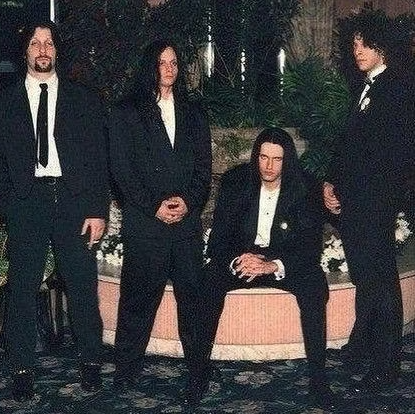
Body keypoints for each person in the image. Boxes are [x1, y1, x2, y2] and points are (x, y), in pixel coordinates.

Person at [0, 20, 109, 401]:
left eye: (48, 43)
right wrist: (8, 205)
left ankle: (91, 364)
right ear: (25, 51)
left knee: (82, 286)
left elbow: (98, 159)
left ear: (57, 51)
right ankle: (22, 370)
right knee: (22, 290)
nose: (42, 50)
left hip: (73, 200)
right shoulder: (4, 102)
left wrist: (97, 210)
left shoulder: (83, 100)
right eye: (35, 43)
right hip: (27, 202)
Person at [197, 127, 336, 409]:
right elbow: (219, 240)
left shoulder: (306, 187)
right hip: (244, 256)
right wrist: (237, 260)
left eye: (277, 159)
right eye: (263, 157)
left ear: (288, 160)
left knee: (314, 286)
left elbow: (310, 247)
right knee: (208, 282)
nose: (269, 166)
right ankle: (197, 375)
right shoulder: (236, 181)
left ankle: (319, 381)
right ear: (255, 156)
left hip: (282, 258)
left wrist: (273, 265)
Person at [108, 39, 212, 404]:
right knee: (136, 303)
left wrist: (188, 202)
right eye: (161, 62)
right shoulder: (126, 112)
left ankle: (198, 374)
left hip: (185, 226)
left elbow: (204, 169)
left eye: (173, 63)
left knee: (193, 305)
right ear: (149, 67)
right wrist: (154, 206)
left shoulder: (194, 113)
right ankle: (125, 371)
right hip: (146, 225)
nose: (169, 68)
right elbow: (121, 171)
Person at [323, 11, 415, 393]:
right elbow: (349, 145)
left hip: (374, 205)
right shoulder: (367, 85)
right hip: (358, 203)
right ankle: (361, 348)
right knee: (366, 280)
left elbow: (396, 156)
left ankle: (385, 367)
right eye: (354, 43)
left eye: (364, 43)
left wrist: (370, 198)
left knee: (381, 285)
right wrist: (332, 182)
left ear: (382, 46)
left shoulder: (397, 88)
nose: (356, 49)